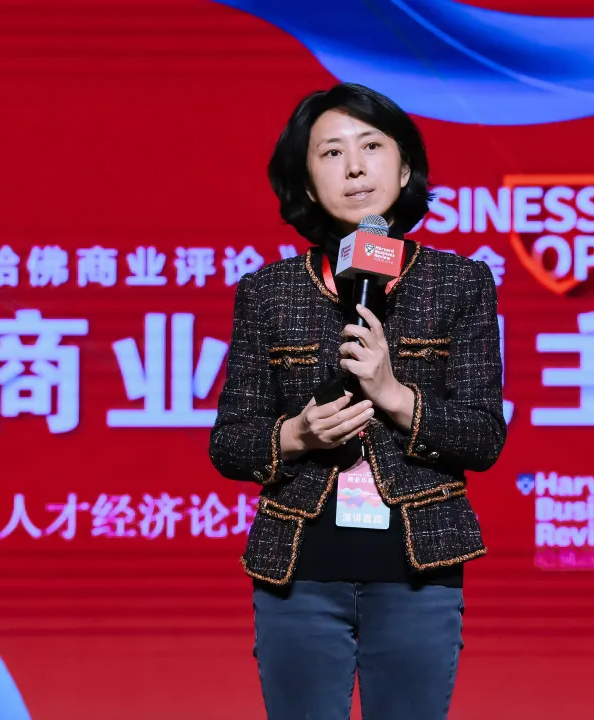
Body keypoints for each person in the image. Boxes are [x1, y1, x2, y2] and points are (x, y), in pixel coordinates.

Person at [208, 82, 506, 720]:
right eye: (331, 152)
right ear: (308, 185)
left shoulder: (460, 282)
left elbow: (483, 437)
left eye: (371, 146)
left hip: (420, 564)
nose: (354, 168)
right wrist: (297, 435)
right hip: (298, 568)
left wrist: (394, 395)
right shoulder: (268, 291)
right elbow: (230, 442)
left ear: (404, 168)